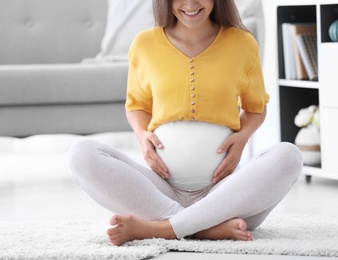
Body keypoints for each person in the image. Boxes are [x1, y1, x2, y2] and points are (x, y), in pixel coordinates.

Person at [68, 0, 302, 246]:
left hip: (225, 197)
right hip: (160, 192)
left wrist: (242, 137)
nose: (190, 4)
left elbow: (256, 108)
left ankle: (163, 228)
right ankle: (202, 228)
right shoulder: (144, 44)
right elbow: (136, 105)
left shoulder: (242, 43)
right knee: (80, 155)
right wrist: (141, 134)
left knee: (288, 155)